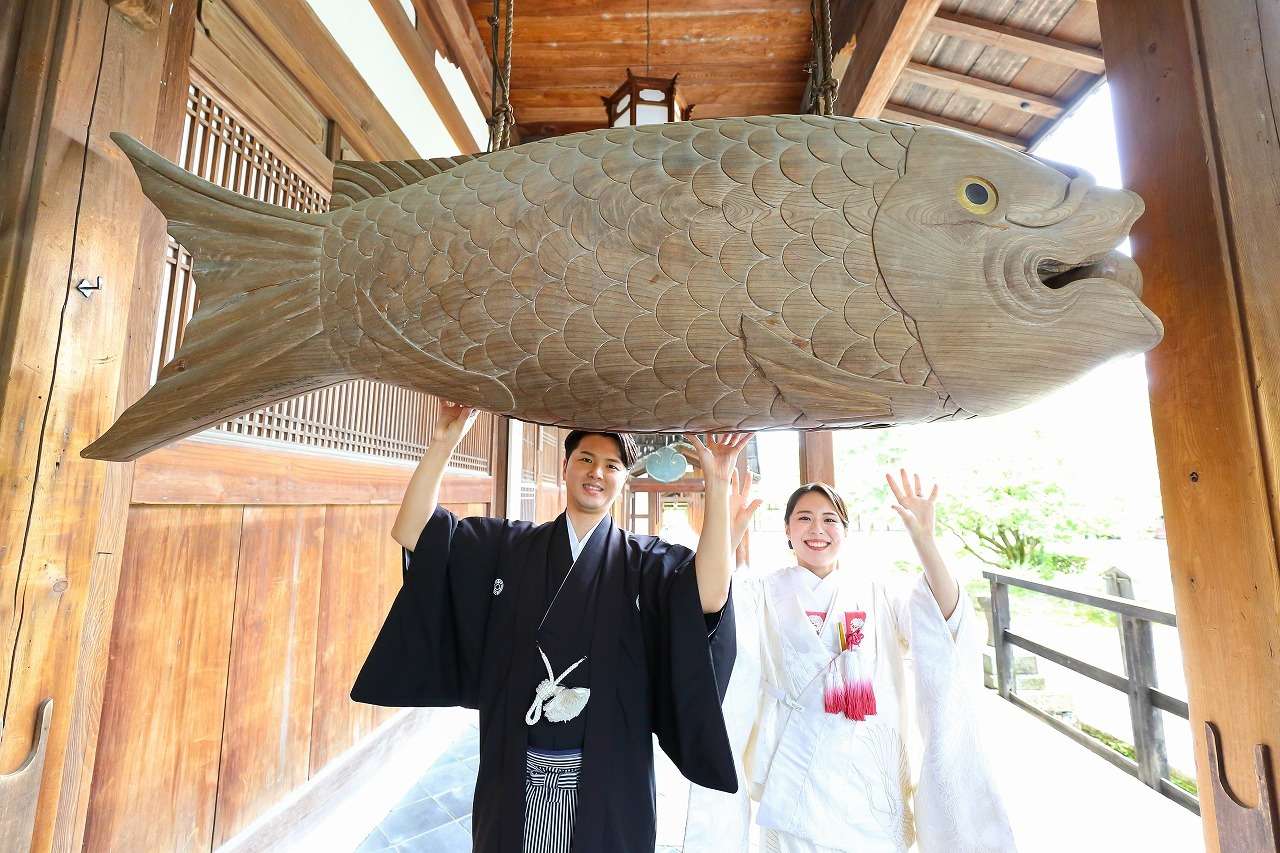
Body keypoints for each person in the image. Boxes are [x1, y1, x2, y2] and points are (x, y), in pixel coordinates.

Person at [351, 400, 748, 853]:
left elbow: (708, 598)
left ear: (624, 479)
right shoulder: (509, 546)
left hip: (609, 779)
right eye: (586, 459)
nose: (597, 473)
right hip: (514, 769)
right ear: (565, 467)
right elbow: (415, 534)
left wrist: (718, 484)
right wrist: (443, 443)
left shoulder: (645, 563)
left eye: (612, 466)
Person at [685, 470, 1016, 853]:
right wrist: (728, 536)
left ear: (845, 530)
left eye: (830, 519)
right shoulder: (760, 592)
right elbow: (709, 603)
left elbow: (944, 624)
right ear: (787, 530)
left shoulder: (877, 593)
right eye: (804, 518)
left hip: (868, 783)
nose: (817, 529)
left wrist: (925, 541)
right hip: (796, 782)